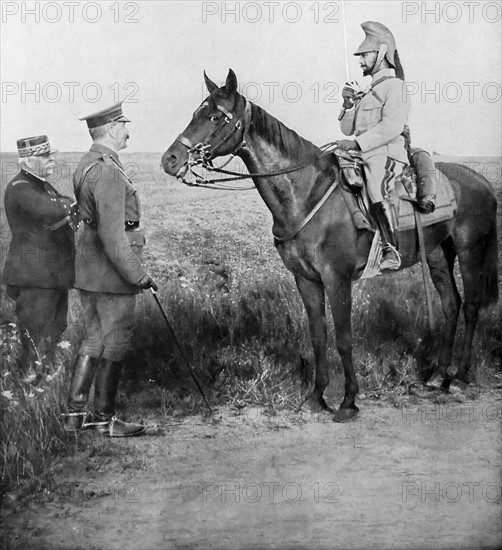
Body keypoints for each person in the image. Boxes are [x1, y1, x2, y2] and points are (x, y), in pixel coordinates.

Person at [64, 102, 157, 437]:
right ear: (114, 128)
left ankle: (74, 415)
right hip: (111, 272)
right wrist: (139, 275)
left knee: (93, 338)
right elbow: (113, 235)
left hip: (89, 268)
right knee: (115, 340)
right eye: (125, 125)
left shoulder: (87, 163)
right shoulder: (108, 170)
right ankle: (104, 420)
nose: (128, 131)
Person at [336, 21, 435, 271]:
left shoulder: (396, 88)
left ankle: (391, 249)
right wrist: (348, 105)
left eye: (364, 55)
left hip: (388, 153)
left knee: (375, 179)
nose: (360, 61)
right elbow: (347, 129)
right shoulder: (367, 92)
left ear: (381, 53)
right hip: (363, 152)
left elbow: (391, 126)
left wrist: (357, 143)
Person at [2, 135, 77, 367]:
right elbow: (52, 210)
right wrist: (69, 208)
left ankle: (44, 387)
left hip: (51, 277)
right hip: (35, 278)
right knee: (34, 340)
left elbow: (63, 207)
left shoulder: (40, 186)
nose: (52, 160)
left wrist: (68, 208)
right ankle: (30, 392)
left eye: (51, 154)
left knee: (52, 334)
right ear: (27, 161)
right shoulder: (20, 188)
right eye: (45, 156)